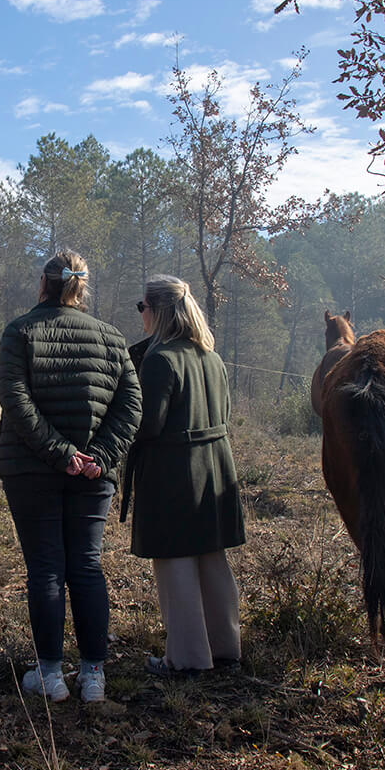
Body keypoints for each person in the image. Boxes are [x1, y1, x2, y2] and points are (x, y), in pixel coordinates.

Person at [0, 251, 142, 704]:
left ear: (44, 282)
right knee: (86, 566)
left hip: (31, 470)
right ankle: (94, 676)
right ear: (82, 286)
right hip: (93, 476)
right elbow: (131, 406)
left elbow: (14, 399)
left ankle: (51, 675)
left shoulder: (20, 332)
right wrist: (99, 455)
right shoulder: (113, 338)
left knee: (45, 569)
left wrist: (61, 454)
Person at [127, 274, 245, 675]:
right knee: (212, 559)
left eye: (142, 307)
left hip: (175, 472)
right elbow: (224, 414)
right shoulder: (210, 357)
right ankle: (224, 649)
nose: (140, 315)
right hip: (216, 468)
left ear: (157, 311)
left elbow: (149, 426)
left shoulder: (160, 360)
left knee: (174, 563)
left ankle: (188, 660)